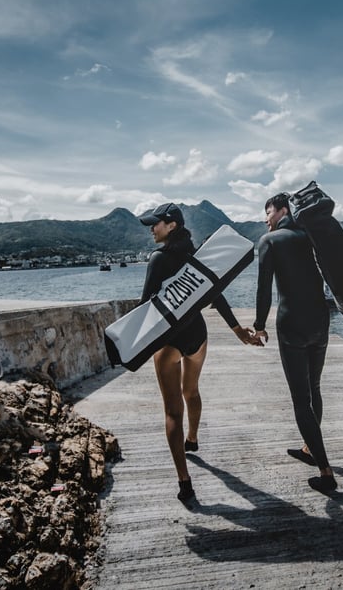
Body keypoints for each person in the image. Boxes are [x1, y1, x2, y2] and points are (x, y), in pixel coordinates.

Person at [137, 202, 257, 503]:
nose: (152, 229)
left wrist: (132, 345)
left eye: (155, 224)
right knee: (191, 391)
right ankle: (192, 439)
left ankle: (184, 481)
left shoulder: (158, 258)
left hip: (170, 341)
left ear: (171, 226)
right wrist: (237, 329)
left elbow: (145, 306)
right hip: (198, 335)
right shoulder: (196, 256)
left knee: (172, 411)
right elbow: (215, 293)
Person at [250, 192, 337, 493]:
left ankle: (326, 472)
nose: (266, 218)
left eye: (269, 212)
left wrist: (259, 326)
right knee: (315, 388)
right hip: (320, 321)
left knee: (301, 399)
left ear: (283, 210)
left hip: (292, 325)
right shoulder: (310, 235)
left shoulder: (269, 241)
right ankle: (309, 449)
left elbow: (264, 289)